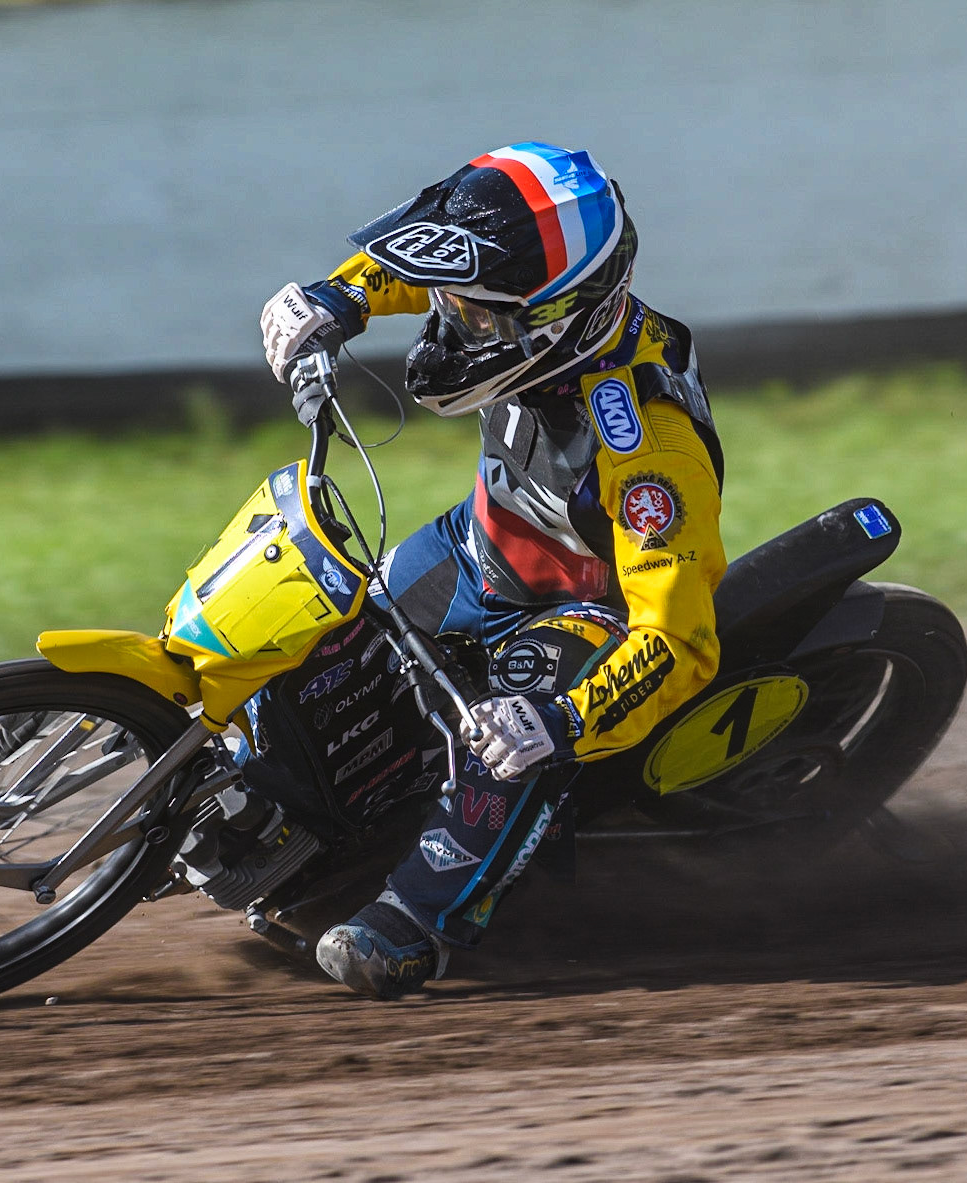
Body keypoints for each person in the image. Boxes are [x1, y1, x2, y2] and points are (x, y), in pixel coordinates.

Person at [255, 143, 728, 999]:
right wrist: (341, 296)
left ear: (556, 321)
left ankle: (415, 924)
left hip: (583, 610)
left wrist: (561, 718)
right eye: (456, 307)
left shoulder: (646, 449)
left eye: (476, 318)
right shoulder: (534, 309)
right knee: (321, 624)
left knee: (507, 741)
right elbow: (429, 262)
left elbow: (680, 638)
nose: (449, 324)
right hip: (478, 549)